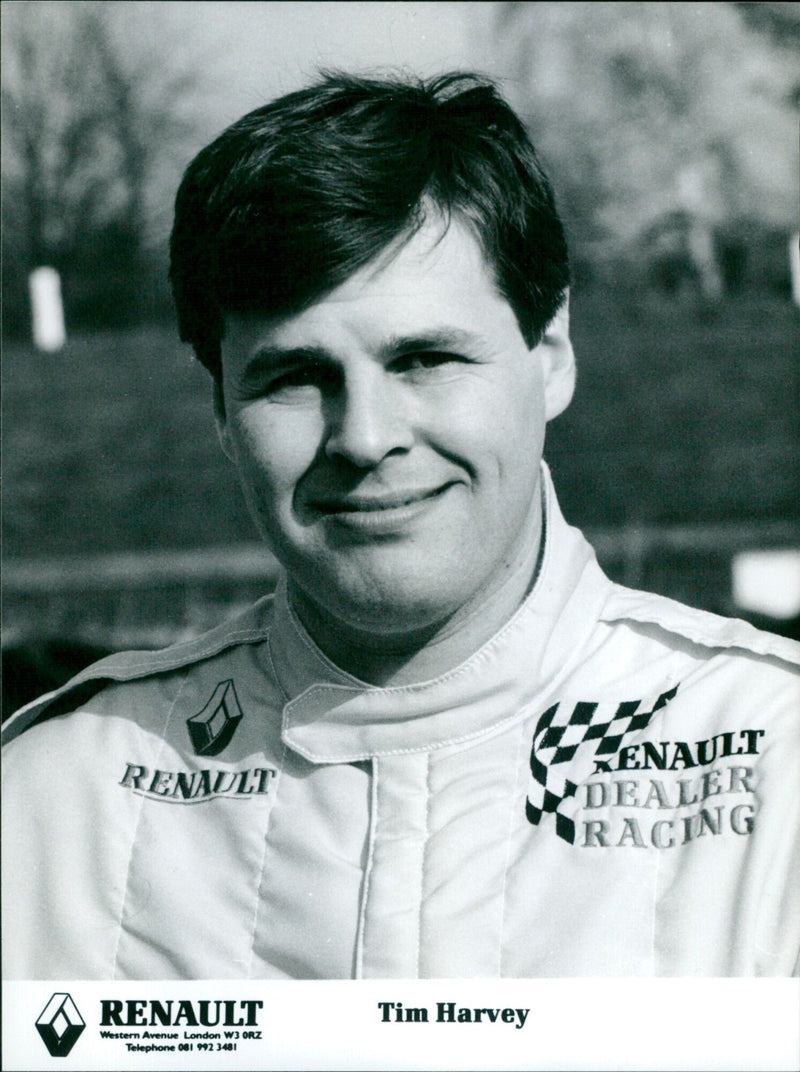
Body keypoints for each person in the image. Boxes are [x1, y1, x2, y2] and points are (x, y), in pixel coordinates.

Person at [2, 72, 798, 980]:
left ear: (554, 355)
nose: (366, 438)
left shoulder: (778, 763)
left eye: (424, 358)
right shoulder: (57, 801)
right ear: (222, 409)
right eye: (294, 377)